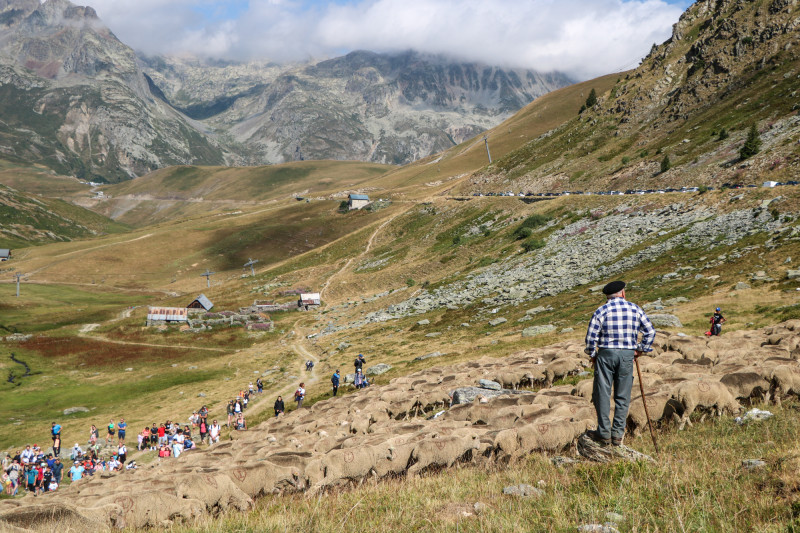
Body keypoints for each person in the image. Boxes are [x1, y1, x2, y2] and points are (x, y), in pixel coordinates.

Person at [584, 280, 655, 447]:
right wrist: (641, 349)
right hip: (626, 356)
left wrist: (593, 354)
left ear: (607, 296)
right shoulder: (635, 309)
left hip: (605, 355)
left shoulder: (601, 311)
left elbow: (589, 339)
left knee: (602, 393)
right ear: (623, 293)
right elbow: (650, 331)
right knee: (623, 395)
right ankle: (617, 434)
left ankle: (603, 432)